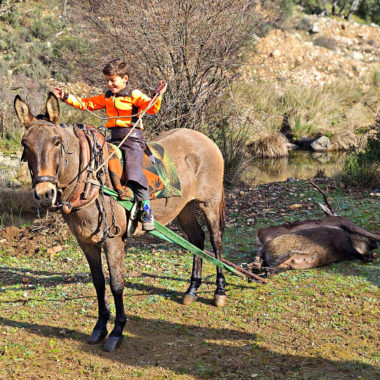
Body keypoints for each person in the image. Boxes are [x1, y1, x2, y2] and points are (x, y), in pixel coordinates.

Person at [53, 58, 167, 231]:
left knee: (134, 170)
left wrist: (157, 96)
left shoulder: (133, 94)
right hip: (113, 138)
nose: (109, 83)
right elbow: (86, 104)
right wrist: (66, 97)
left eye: (112, 80)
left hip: (132, 138)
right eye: (107, 80)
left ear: (124, 79)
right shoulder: (107, 96)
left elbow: (151, 108)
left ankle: (146, 211)